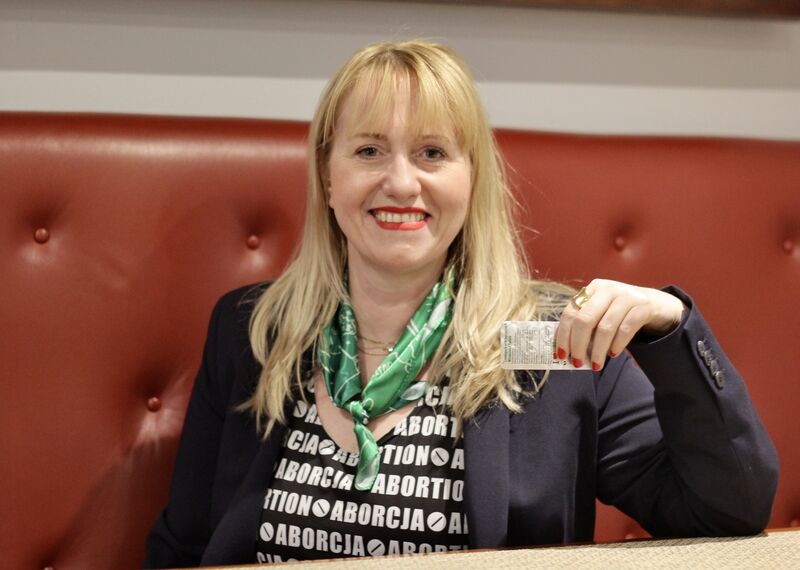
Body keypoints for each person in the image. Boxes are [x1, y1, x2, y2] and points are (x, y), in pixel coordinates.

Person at [144, 40, 778, 567]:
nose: (400, 181)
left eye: (432, 153)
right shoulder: (252, 331)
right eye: (368, 151)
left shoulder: (558, 346)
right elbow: (184, 544)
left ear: (471, 181)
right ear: (327, 177)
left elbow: (724, 510)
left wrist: (670, 330)